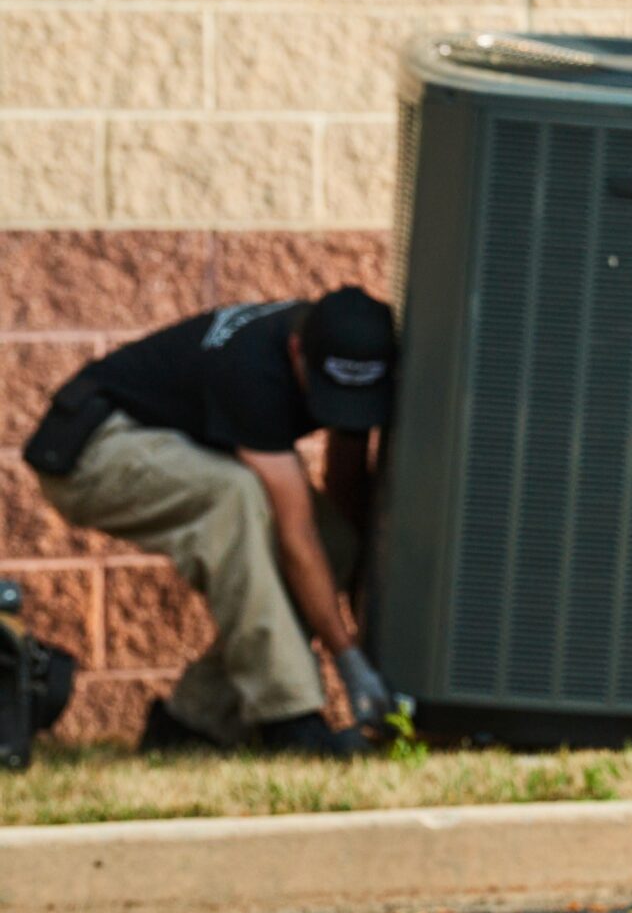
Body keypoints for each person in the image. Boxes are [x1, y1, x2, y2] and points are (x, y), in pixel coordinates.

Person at [20, 287, 401, 757]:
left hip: (170, 440)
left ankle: (191, 725)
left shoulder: (338, 348)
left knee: (335, 543)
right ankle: (290, 722)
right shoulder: (254, 371)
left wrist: (359, 579)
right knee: (233, 497)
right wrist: (349, 658)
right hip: (91, 451)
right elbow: (295, 536)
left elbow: (341, 488)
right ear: (297, 351)